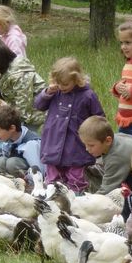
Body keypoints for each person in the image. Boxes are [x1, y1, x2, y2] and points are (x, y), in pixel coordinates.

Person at [34, 57, 103, 194]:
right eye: (57, 83)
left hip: (76, 145)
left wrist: (95, 136)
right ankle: (53, 198)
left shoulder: (88, 95)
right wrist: (47, 92)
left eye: (65, 84)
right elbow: (39, 105)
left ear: (77, 79)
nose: (61, 87)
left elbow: (99, 118)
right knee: (53, 178)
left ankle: (76, 200)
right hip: (53, 143)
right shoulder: (54, 92)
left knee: (76, 177)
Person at [0, 42, 46, 132]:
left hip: (35, 112)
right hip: (25, 113)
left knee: (25, 138)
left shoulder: (19, 75)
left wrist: (15, 122)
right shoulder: (3, 72)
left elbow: (23, 102)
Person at [78, 116, 132, 194]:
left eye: (91, 145)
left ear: (108, 141)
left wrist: (89, 201)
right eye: (85, 144)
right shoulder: (115, 139)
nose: (87, 149)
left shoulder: (116, 158)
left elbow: (107, 189)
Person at [0, 104, 43, 176]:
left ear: (12, 128)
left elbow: (39, 171)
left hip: (32, 179)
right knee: (0, 161)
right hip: (13, 175)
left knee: (12, 163)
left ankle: (25, 184)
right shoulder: (8, 140)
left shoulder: (31, 144)